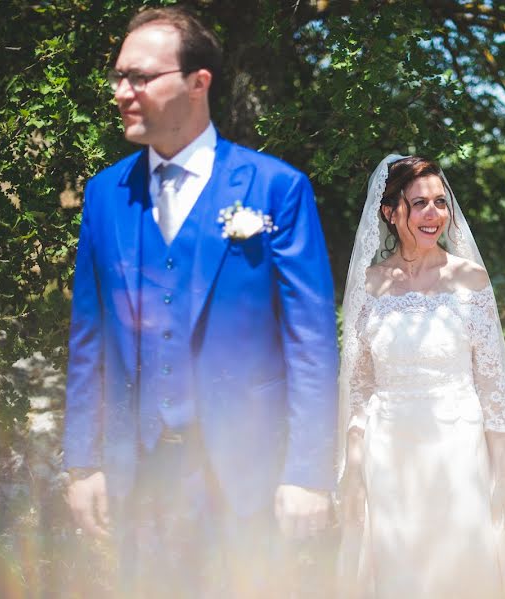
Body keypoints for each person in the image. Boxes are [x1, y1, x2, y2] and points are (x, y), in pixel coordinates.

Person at [62, 6, 338, 596]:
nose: (123, 92)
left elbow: (310, 343)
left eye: (141, 77)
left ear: (197, 82)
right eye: (118, 78)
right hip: (140, 475)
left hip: (247, 472)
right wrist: (83, 462)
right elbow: (88, 338)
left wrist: (310, 473)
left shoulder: (275, 189)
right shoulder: (105, 195)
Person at [337, 155, 505, 598]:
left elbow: (493, 386)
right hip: (388, 455)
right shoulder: (369, 286)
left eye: (440, 203)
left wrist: (503, 474)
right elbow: (360, 388)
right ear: (390, 213)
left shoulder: (470, 280)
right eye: (420, 203)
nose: (434, 214)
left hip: (459, 451)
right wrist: (353, 472)